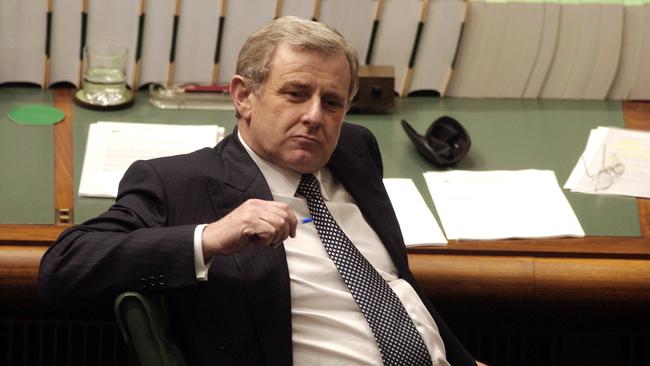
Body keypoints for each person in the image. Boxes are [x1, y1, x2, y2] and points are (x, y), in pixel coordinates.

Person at [40, 16, 481, 366]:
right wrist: (208, 238)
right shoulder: (179, 181)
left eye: (332, 102)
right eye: (295, 93)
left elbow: (394, 283)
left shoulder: (355, 148)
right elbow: (63, 267)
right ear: (243, 96)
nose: (314, 116)